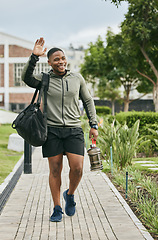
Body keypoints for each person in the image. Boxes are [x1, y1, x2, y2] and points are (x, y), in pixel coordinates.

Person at [22, 37, 98, 222]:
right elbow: (26, 77)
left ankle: (69, 195)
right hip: (52, 131)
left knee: (78, 168)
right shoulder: (44, 79)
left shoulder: (76, 78)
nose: (61, 61)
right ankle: (57, 208)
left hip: (73, 129)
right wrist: (34, 56)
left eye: (62, 58)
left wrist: (93, 124)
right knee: (55, 170)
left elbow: (87, 100)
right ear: (49, 62)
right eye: (56, 59)